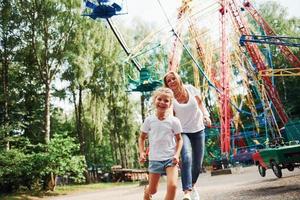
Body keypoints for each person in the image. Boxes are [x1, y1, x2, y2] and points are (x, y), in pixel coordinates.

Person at [163, 71, 211, 200]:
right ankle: (187, 192)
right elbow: (170, 115)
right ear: (167, 84)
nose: (172, 81)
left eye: (173, 78)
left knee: (198, 163)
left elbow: (200, 104)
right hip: (183, 131)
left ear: (179, 79)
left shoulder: (190, 89)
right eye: (169, 80)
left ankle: (192, 185)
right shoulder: (170, 98)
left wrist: (206, 116)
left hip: (198, 129)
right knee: (187, 156)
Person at [139, 87, 183, 200]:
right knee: (153, 190)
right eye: (160, 99)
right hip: (155, 159)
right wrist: (142, 152)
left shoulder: (174, 121)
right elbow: (142, 137)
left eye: (166, 100)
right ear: (155, 100)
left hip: (170, 158)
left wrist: (177, 155)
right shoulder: (149, 121)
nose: (162, 102)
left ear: (170, 104)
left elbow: (179, 139)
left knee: (173, 186)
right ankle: (147, 191)